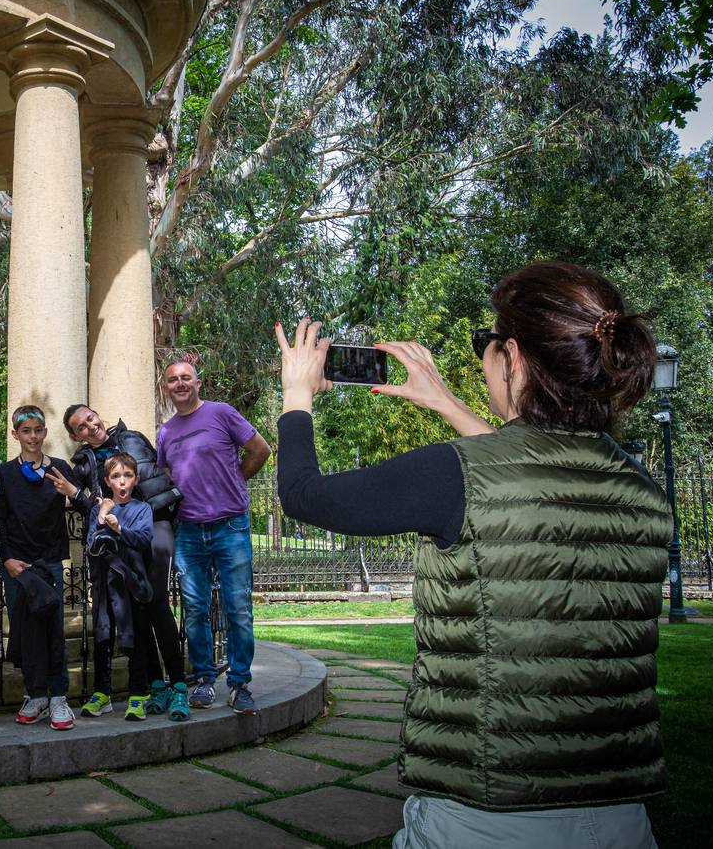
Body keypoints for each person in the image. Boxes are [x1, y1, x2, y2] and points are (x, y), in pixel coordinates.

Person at [274, 260, 670, 849]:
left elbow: (304, 495)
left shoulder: (451, 475)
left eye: (486, 342)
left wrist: (296, 394)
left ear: (512, 357)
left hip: (488, 813)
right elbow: (532, 470)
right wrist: (447, 402)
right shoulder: (641, 489)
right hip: (621, 816)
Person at [56, 405, 188, 721]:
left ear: (98, 416)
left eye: (90, 418)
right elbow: (92, 506)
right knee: (135, 607)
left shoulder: (132, 438)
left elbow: (162, 475)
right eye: (81, 427)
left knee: (155, 601)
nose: (90, 426)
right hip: (121, 532)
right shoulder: (84, 463)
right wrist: (78, 495)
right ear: (76, 436)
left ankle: (179, 685)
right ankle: (155, 684)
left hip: (154, 522)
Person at [156, 361, 271, 714]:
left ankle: (239, 683)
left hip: (230, 525)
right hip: (189, 530)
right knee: (194, 609)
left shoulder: (222, 413)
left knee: (238, 608)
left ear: (198, 383)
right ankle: (205, 680)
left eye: (185, 378)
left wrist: (235, 481)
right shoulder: (165, 432)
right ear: (165, 387)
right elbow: (165, 474)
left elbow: (260, 450)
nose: (179, 383)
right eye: (173, 379)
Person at [0, 406, 78, 730]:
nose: (32, 436)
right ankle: (36, 694)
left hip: (49, 563)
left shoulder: (59, 468)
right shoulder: (5, 473)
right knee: (25, 633)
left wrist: (70, 492)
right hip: (17, 565)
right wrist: (6, 559)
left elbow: (84, 501)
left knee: (52, 630)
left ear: (45, 433)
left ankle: (58, 697)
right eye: (25, 431)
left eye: (37, 430)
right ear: (15, 434)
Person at [82, 453, 156, 721]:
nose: (122, 482)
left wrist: (120, 529)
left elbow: (144, 538)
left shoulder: (142, 508)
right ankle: (102, 693)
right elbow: (91, 544)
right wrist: (103, 515)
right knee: (102, 638)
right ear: (107, 481)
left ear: (136, 479)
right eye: (116, 476)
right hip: (104, 586)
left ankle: (139, 693)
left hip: (130, 586)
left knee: (133, 638)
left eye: (127, 476)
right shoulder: (99, 509)